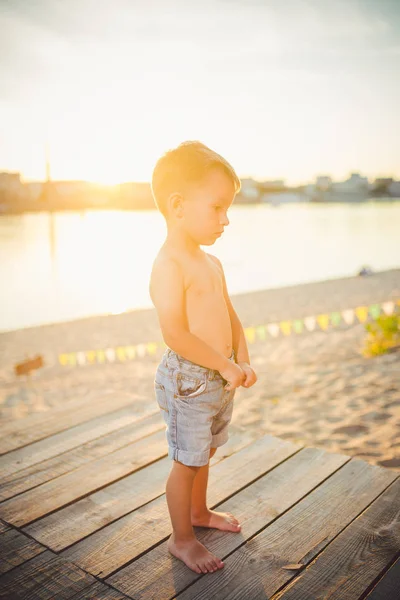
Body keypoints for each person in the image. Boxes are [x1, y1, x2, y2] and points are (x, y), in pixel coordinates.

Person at [149, 140, 257, 575]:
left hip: (219, 377)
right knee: (186, 460)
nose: (226, 219)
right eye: (216, 207)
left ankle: (199, 512)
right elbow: (175, 333)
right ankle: (182, 539)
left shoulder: (211, 262)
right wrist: (225, 365)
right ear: (178, 205)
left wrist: (242, 359)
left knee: (204, 452)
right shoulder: (169, 264)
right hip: (189, 380)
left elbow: (231, 316)